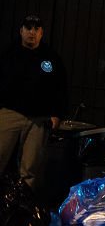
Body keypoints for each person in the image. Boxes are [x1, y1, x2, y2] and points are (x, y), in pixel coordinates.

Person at [0, 15, 67, 191]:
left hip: (38, 118)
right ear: (21, 31)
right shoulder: (9, 54)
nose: (32, 32)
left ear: (41, 33)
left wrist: (57, 114)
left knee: (31, 167)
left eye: (36, 29)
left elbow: (60, 88)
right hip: (10, 113)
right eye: (28, 28)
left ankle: (24, 207)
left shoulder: (51, 58)